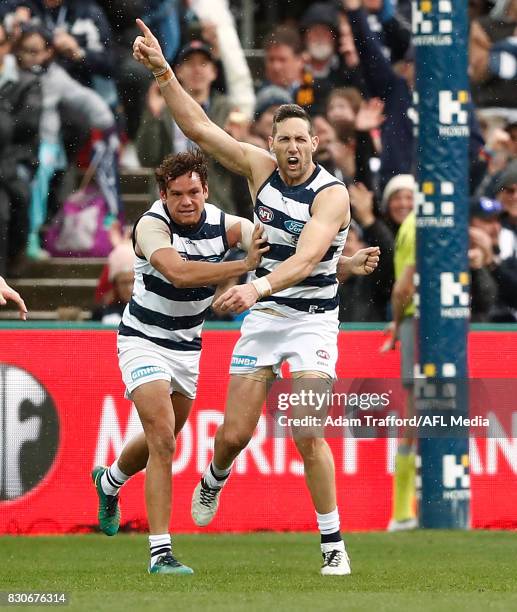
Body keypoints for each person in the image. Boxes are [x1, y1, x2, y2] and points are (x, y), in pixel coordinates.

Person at [132, 18, 380, 576]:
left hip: (311, 321)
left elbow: (307, 257)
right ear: (271, 144)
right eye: (283, 139)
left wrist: (255, 285)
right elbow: (198, 127)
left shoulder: (332, 194)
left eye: (301, 139)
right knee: (234, 435)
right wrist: (163, 71)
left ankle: (333, 545)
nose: (292, 148)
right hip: (265, 315)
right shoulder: (259, 169)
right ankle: (215, 476)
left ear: (314, 143)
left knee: (306, 429)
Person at [91, 149, 269, 575]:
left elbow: (272, 242)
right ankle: (161, 553)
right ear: (163, 195)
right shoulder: (151, 225)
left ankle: (109, 481)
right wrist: (243, 265)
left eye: (194, 192)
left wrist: (334, 261)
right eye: (176, 194)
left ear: (206, 190)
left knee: (163, 436)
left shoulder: (226, 225)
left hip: (188, 349)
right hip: (142, 340)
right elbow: (180, 273)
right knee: (165, 441)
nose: (186, 201)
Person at [380, 210, 417, 531]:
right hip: (424, 325)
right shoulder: (424, 226)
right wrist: (397, 324)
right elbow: (403, 286)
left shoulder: (409, 225)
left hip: (416, 323)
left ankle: (405, 509)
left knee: (418, 413)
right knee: (421, 413)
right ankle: (404, 510)